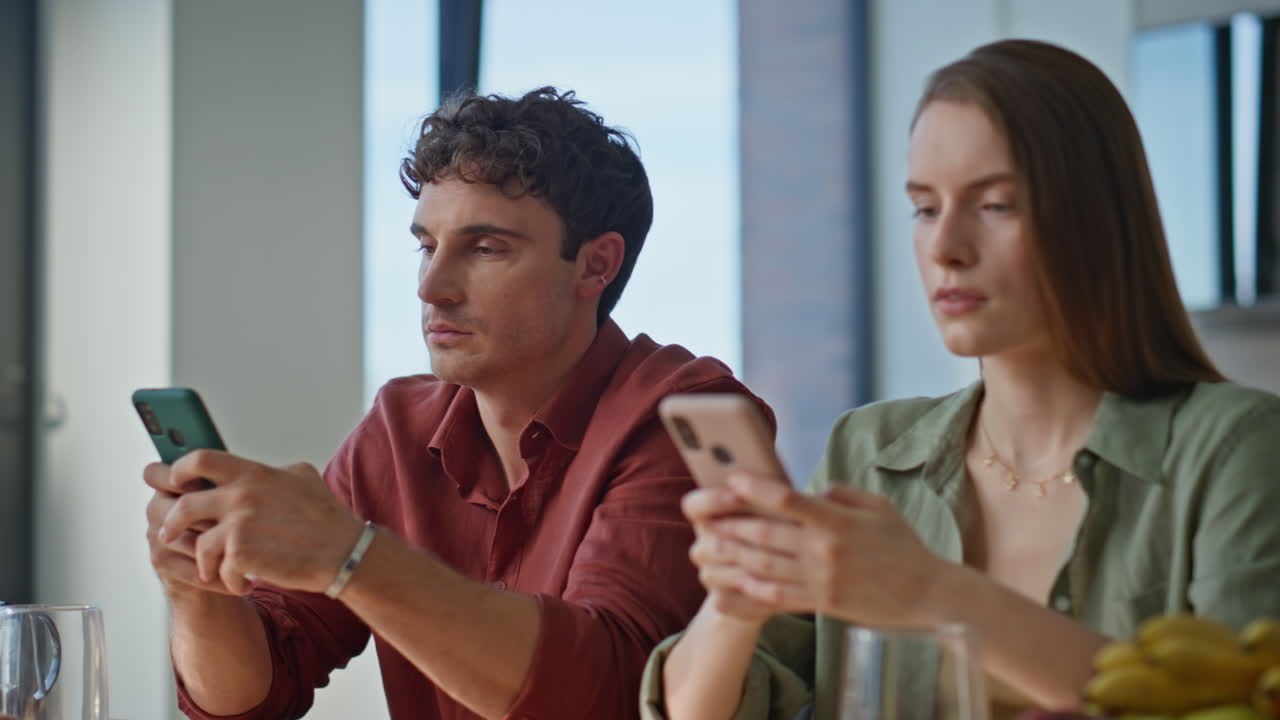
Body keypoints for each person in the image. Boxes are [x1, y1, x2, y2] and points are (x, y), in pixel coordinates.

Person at [643, 39, 1280, 720]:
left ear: (1096, 218)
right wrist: (737, 602)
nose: (946, 248)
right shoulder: (871, 451)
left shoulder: (1236, 448)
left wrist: (928, 591)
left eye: (996, 205)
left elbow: (1244, 703)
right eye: (925, 208)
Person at [143, 87, 771, 720]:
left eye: (485, 248)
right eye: (426, 246)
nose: (432, 287)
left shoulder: (683, 418)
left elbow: (610, 693)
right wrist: (197, 592)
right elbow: (253, 696)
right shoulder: (397, 431)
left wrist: (348, 557)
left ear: (595, 265)